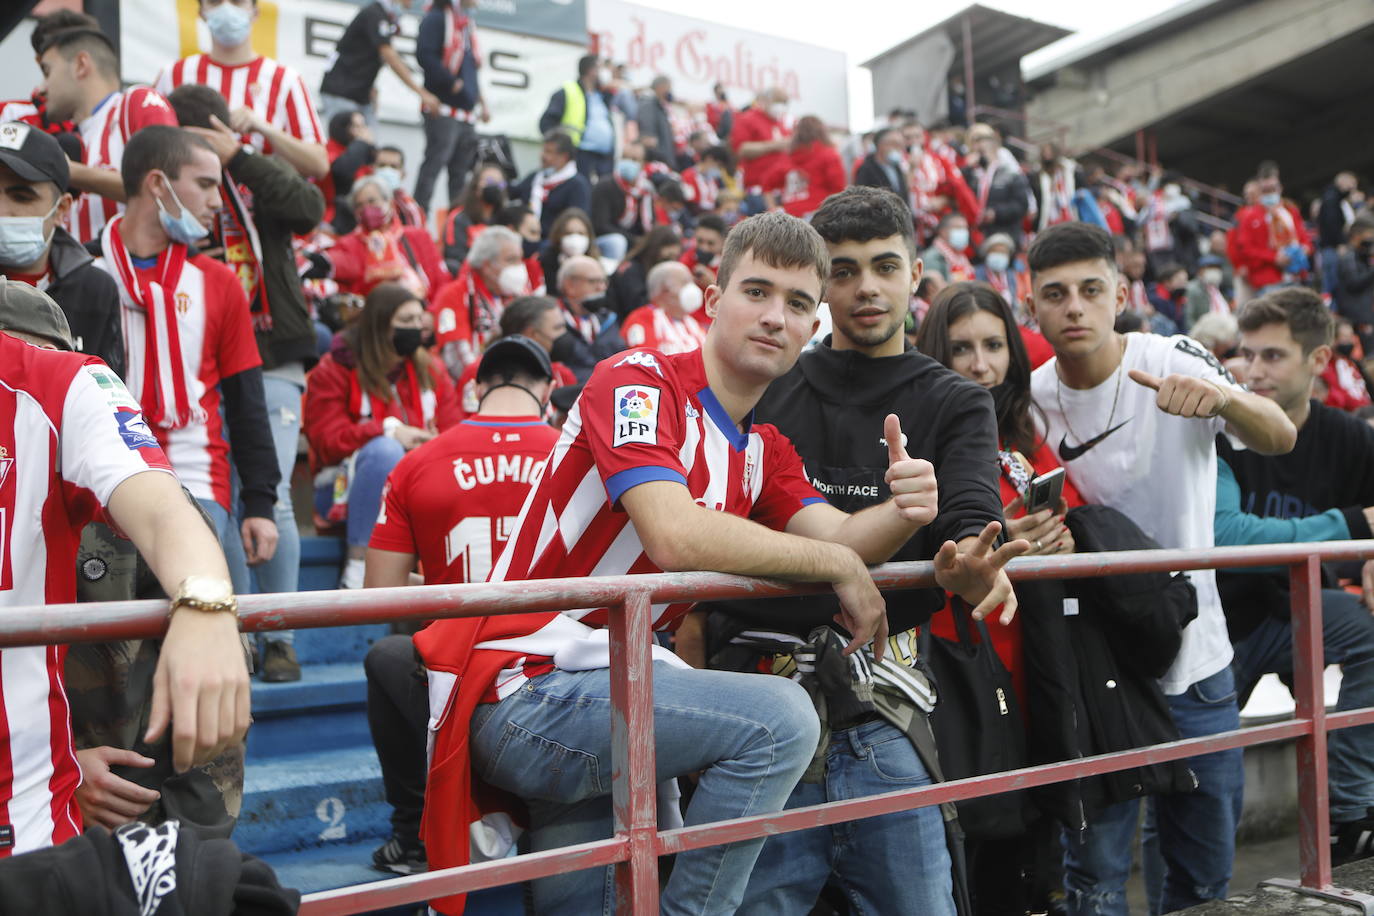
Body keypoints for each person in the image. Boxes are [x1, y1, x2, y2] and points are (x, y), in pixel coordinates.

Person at [413, 210, 1005, 916]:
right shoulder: (635, 379)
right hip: (523, 687)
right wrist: (837, 566)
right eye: (756, 292)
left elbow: (842, 538)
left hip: (611, 694)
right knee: (782, 720)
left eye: (796, 304)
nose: (774, 317)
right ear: (711, 294)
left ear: (813, 323)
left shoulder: (765, 450)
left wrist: (903, 510)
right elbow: (673, 534)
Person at [684, 187, 1022, 915]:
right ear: (818, 290)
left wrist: (968, 557)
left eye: (884, 266)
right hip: (757, 709)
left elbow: (968, 511)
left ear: (915, 272)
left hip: (886, 706)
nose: (866, 287)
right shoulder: (766, 384)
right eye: (844, 271)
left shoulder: (957, 399)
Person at [1025, 222, 1296, 916]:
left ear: (1120, 293)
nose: (1075, 307)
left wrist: (1225, 398)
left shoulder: (1174, 356)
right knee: (1095, 882)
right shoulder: (1026, 398)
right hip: (1095, 673)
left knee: (1203, 877)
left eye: (1091, 290)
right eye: (1056, 295)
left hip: (1197, 661)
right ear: (1032, 306)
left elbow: (1279, 433)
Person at [0, 277, 249, 852]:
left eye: (38, 354)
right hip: (55, 792)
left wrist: (193, 856)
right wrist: (68, 764)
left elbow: (209, 697)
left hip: (128, 815)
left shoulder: (152, 521)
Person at [364, 333, 561, 875]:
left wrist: (445, 578)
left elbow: (378, 596)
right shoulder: (577, 457)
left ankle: (412, 835)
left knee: (386, 656)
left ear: (476, 388)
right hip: (559, 672)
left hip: (456, 680)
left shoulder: (417, 462)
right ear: (546, 389)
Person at [168, 85, 327, 677]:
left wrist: (237, 156)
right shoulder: (174, 183)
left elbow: (308, 207)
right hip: (202, 350)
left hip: (274, 350)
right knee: (220, 495)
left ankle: (279, 635)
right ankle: (239, 631)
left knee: (272, 489)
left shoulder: (250, 171)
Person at [92, 125, 281, 610]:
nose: (219, 201)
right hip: (101, 487)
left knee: (198, 634)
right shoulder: (84, 276)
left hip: (198, 483)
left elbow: (247, 402)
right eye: (206, 183)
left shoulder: (219, 282)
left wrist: (260, 503)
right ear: (158, 183)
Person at [1216, 288, 1374, 864]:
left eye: (1272, 356)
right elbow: (1226, 539)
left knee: (1370, 631)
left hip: (1298, 614)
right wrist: (1353, 526)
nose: (1253, 371)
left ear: (1319, 361)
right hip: (1214, 624)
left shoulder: (1348, 437)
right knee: (1201, 785)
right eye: (1247, 354)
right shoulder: (1221, 428)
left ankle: (1352, 814)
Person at [305, 283, 462, 588]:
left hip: (411, 488)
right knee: (384, 451)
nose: (416, 329)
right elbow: (326, 441)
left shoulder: (431, 369)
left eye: (420, 320)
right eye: (406, 322)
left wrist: (432, 442)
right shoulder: (336, 368)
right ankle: (358, 567)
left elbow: (455, 431)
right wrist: (388, 430)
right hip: (344, 489)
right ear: (379, 324)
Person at [35, 23, 177, 243]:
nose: (41, 88)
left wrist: (70, 172)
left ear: (81, 65)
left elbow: (170, 191)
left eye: (47, 71)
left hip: (133, 274)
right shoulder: (68, 139)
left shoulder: (136, 102)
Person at [0, 121, 123, 374]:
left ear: (62, 209)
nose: (2, 209)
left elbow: (108, 400)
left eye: (21, 196)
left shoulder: (96, 290)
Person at [154, 0, 327, 179]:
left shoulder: (285, 79)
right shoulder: (173, 74)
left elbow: (319, 164)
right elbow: (147, 151)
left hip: (260, 205)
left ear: (255, 12)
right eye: (215, 2)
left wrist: (264, 128)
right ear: (201, 13)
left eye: (237, 1)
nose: (227, 9)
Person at [317, 0, 439, 132]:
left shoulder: (386, 18)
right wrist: (422, 93)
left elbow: (366, 55)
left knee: (369, 146)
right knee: (347, 146)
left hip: (361, 96)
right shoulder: (375, 14)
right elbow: (390, 56)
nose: (413, 3)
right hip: (341, 92)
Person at [413, 0, 486, 216]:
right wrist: (450, 82)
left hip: (466, 113)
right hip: (442, 108)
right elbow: (424, 54)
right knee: (434, 166)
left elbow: (471, 66)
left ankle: (456, 225)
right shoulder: (437, 17)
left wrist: (482, 101)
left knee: (460, 173)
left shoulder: (466, 24)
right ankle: (418, 220)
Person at [451, 296, 578, 419]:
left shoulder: (562, 373)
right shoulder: (483, 371)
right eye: (557, 328)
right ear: (531, 333)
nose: (564, 334)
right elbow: (470, 425)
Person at [328, 175, 450, 300]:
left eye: (372, 201)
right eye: (359, 205)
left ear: (390, 203)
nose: (366, 209)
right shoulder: (348, 245)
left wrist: (431, 313)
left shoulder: (418, 236)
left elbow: (442, 283)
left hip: (425, 311)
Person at [430, 224, 527, 377]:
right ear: (487, 265)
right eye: (511, 260)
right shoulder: (451, 295)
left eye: (520, 259)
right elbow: (455, 358)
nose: (519, 266)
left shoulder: (517, 294)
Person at [1231, 168, 1312, 294]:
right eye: (1265, 190)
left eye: (1273, 189)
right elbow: (1245, 248)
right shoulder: (1249, 217)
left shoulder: (1290, 211)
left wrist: (1305, 248)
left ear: (1280, 188)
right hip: (1269, 278)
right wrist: (1274, 258)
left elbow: (1304, 237)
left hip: (1297, 274)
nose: (1270, 194)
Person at [548, 254, 626, 380]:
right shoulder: (552, 321)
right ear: (570, 286)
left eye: (603, 281)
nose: (601, 288)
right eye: (593, 281)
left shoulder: (608, 321)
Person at [538, 55, 616, 179]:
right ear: (591, 70)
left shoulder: (602, 95)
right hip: (579, 154)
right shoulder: (569, 91)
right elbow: (546, 123)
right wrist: (559, 148)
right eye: (601, 67)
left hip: (603, 157)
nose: (605, 72)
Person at [512, 129, 593, 239]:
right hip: (525, 235)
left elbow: (576, 221)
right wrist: (497, 183)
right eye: (543, 150)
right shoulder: (536, 176)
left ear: (564, 157)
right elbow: (513, 190)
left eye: (548, 152)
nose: (543, 156)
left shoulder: (577, 185)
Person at [964, 123, 1030, 249]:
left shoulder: (1009, 171)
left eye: (983, 140)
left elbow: (1021, 204)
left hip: (1004, 236)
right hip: (976, 238)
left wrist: (996, 213)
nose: (979, 146)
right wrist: (967, 168)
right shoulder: (970, 172)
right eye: (974, 142)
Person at [767, 115, 845, 219]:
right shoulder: (829, 154)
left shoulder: (787, 157)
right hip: (819, 214)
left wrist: (773, 209)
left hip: (790, 216)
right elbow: (838, 189)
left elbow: (767, 184)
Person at [620, 260, 707, 354]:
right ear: (665, 290)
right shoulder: (642, 318)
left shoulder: (692, 321)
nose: (692, 288)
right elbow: (645, 361)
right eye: (685, 283)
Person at [590, 140, 652, 261]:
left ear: (643, 164)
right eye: (625, 157)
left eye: (634, 159)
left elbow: (648, 223)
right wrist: (634, 240)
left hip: (635, 242)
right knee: (618, 242)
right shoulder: (605, 185)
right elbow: (600, 225)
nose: (628, 163)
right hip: (607, 241)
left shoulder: (646, 190)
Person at [440, 161, 507, 273]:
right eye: (489, 181)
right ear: (476, 186)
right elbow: (455, 256)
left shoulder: (504, 219)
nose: (494, 187)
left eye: (499, 184)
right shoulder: (459, 217)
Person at [607, 225, 682, 319]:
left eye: (675, 258)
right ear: (654, 250)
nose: (671, 262)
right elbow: (637, 307)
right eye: (669, 257)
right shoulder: (631, 270)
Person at [730, 88, 791, 202]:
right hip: (757, 189)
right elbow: (742, 149)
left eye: (784, 103)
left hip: (780, 191)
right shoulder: (748, 118)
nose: (781, 106)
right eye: (778, 101)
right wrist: (774, 145)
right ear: (765, 100)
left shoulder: (781, 123)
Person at [322, 109, 375, 232]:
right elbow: (341, 171)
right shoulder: (329, 151)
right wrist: (361, 143)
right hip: (333, 218)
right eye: (356, 126)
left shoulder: (360, 154)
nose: (362, 132)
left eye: (363, 126)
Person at [1337, 215, 1374, 354]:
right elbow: (1353, 284)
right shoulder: (1348, 257)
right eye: (1369, 235)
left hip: (1365, 314)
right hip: (1356, 316)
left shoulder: (1361, 256)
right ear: (1357, 236)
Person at [1317, 171, 1359, 295]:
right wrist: (1340, 243)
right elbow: (1332, 223)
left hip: (1332, 248)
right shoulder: (1332, 198)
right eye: (1351, 184)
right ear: (1342, 182)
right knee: (1333, 287)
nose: (1353, 188)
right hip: (1332, 249)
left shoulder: (1336, 199)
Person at [1032, 142, 1086, 231]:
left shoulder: (1068, 169)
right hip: (1049, 215)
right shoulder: (1039, 175)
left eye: (1049, 151)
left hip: (1067, 211)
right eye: (1045, 152)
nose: (1047, 154)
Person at [370, 146, 425, 228]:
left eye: (393, 167)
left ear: (403, 174)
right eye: (382, 165)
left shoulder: (409, 208)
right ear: (372, 169)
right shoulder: (362, 200)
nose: (387, 170)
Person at [852, 127, 907, 198]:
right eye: (894, 144)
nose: (899, 148)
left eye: (900, 144)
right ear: (880, 145)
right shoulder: (866, 169)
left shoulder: (896, 166)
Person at [637, 75, 679, 167]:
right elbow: (649, 137)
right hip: (656, 159)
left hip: (664, 157)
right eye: (668, 87)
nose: (669, 91)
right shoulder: (648, 104)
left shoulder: (659, 106)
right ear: (661, 87)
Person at [920, 212, 975, 282]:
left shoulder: (962, 258)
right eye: (958, 228)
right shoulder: (933, 257)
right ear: (943, 231)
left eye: (965, 228)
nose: (964, 232)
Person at [682, 212, 727, 292]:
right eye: (700, 241)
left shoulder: (730, 266)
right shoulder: (686, 259)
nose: (704, 248)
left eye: (711, 243)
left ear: (723, 243)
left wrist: (714, 284)